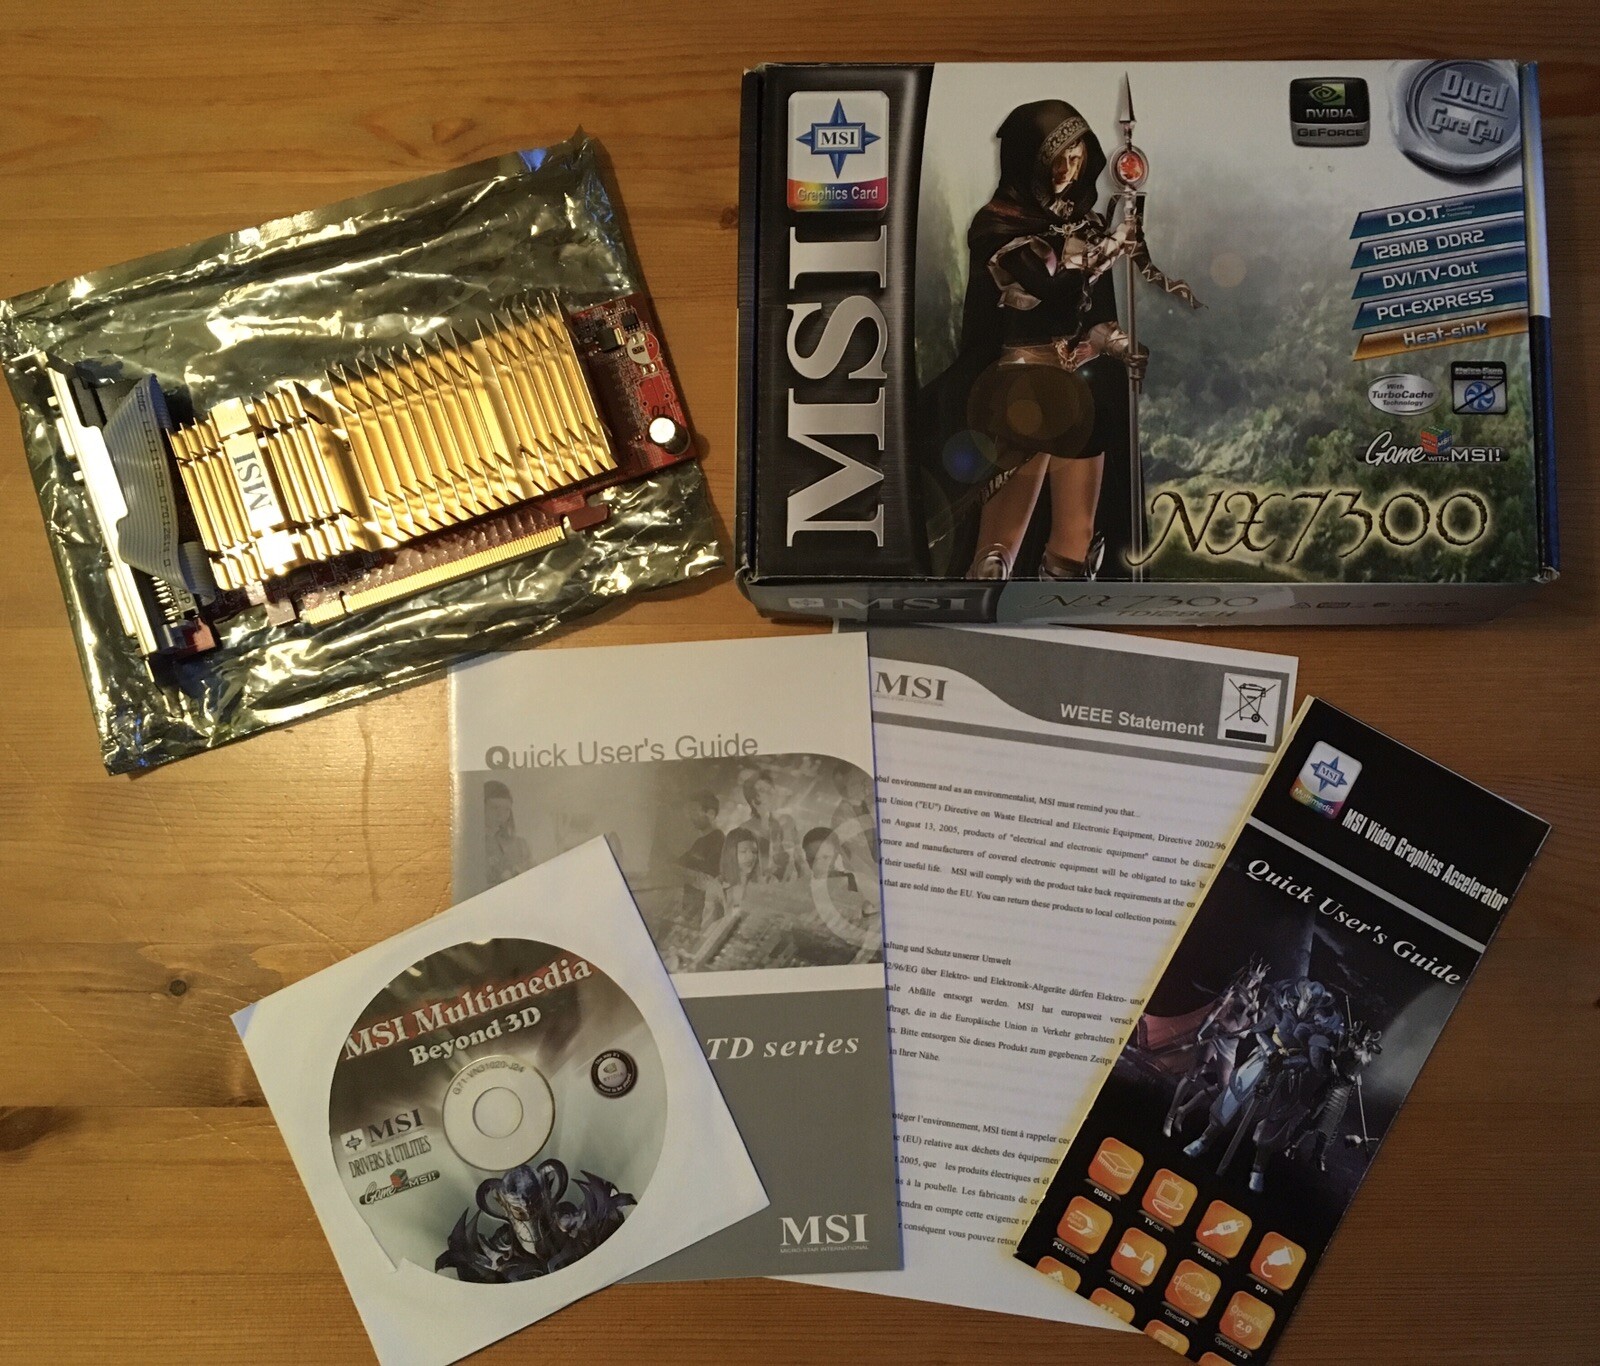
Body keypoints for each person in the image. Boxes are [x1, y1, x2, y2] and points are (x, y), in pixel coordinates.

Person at [923, 98, 1197, 580]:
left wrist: (1118, 344)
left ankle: (1064, 606)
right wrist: (1109, 246)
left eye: (1076, 157)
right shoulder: (997, 225)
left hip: (1077, 392)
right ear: (1028, 161)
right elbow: (1049, 287)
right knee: (997, 552)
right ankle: (985, 604)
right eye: (1056, 160)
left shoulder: (1086, 225)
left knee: (1076, 543)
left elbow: (1096, 317)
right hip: (1022, 388)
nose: (1068, 171)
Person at [738, 769, 803, 882]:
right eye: (762, 790)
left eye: (770, 788)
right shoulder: (746, 829)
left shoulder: (787, 821)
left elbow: (799, 857)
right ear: (753, 799)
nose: (771, 793)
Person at [482, 779, 531, 887]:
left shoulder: (521, 845)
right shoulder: (472, 846)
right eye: (495, 808)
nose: (501, 815)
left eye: (507, 809)